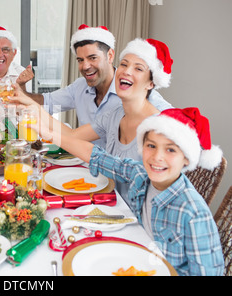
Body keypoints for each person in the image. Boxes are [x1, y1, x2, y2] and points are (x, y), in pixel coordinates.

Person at [36, 107, 225, 276]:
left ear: (186, 159)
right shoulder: (140, 175)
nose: (157, 157)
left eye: (171, 150)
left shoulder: (194, 213)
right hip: (133, 259)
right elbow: (95, 156)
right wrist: (50, 135)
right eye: (151, 146)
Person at [13, 38, 175, 206]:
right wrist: (35, 110)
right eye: (124, 65)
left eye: (138, 68)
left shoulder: (160, 126)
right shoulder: (115, 114)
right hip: (110, 201)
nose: (126, 71)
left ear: (151, 83)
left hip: (141, 216)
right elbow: (74, 136)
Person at [15, 24, 172, 147]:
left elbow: (178, 126)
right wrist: (22, 93)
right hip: (88, 164)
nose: (85, 66)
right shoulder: (111, 113)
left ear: (110, 56)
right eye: (80, 60)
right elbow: (72, 134)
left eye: (92, 58)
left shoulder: (153, 106)